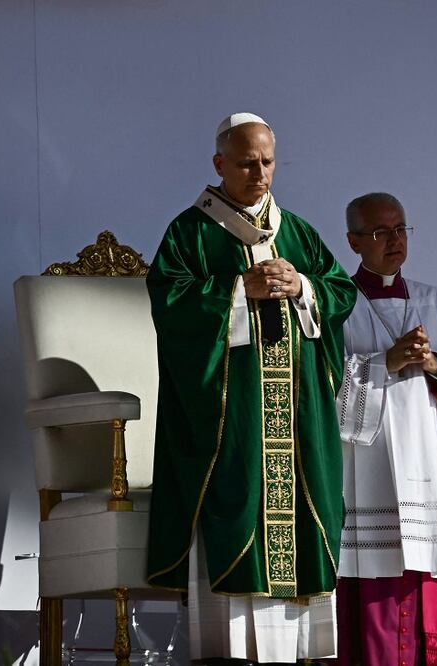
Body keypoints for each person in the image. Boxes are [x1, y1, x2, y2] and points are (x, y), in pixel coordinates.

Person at [145, 113, 356, 664]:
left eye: (266, 161)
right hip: (232, 416)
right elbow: (170, 304)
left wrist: (303, 285)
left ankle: (298, 653)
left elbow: (340, 291)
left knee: (300, 521)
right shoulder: (189, 232)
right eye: (245, 162)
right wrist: (238, 288)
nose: (258, 172)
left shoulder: (298, 231)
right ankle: (227, 654)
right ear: (219, 164)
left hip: (296, 417)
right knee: (237, 506)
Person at [334, 193, 437, 666]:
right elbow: (317, 384)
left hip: (428, 466)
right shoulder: (337, 304)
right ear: (353, 240)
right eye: (381, 232)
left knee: (430, 594)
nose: (395, 241)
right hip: (368, 471)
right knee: (375, 596)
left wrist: (436, 364)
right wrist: (386, 362)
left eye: (401, 229)